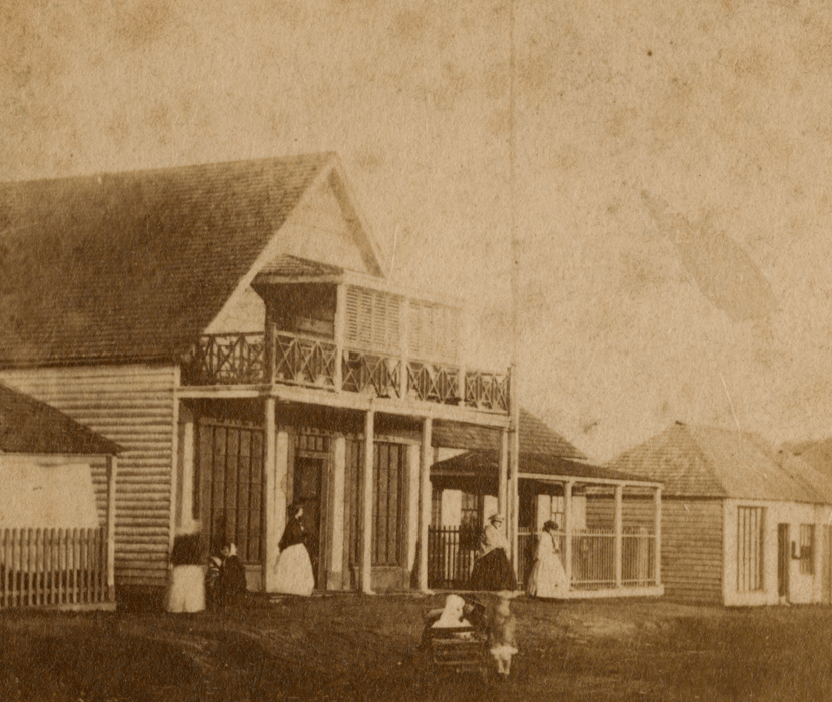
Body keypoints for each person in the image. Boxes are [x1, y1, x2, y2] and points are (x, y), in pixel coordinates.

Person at [466, 513, 517, 592]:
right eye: (497, 521)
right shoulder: (488, 529)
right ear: (493, 521)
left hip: (498, 550)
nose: (499, 523)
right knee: (493, 564)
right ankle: (491, 585)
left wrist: (503, 546)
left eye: (500, 522)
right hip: (489, 551)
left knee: (503, 564)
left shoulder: (499, 530)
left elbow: (504, 541)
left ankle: (502, 585)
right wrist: (498, 545)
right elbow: (489, 541)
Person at [272, 503, 315, 596]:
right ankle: (294, 589)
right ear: (297, 511)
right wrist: (302, 532)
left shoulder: (295, 521)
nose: (302, 511)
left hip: (297, 547)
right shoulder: (293, 522)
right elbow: (295, 536)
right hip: (295, 548)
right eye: (301, 509)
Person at [526, 520, 568, 599]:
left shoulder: (552, 536)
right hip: (545, 558)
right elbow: (541, 548)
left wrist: (556, 549)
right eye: (552, 529)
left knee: (556, 575)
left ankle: (554, 593)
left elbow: (555, 546)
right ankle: (542, 593)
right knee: (543, 575)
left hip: (552, 557)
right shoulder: (544, 536)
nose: (554, 531)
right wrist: (540, 556)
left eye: (554, 530)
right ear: (548, 528)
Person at [166, 531, 205, 613]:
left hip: (181, 568)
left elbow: (174, 557)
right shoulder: (194, 544)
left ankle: (179, 608)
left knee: (179, 590)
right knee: (191, 591)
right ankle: (190, 608)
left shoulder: (180, 544)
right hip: (192, 568)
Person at [488, 594, 518, 678]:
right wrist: (494, 640)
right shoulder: (495, 622)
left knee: (507, 654)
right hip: (497, 639)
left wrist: (509, 641)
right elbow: (493, 630)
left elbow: (510, 634)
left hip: (506, 640)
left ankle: (507, 670)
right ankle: (500, 669)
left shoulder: (508, 623)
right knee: (497, 654)